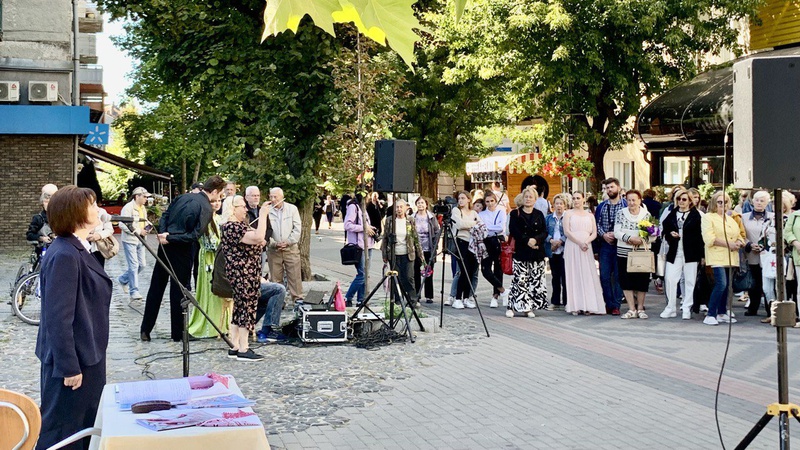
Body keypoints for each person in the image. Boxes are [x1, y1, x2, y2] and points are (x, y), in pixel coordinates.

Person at [35, 186, 112, 450]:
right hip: (73, 361)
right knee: (65, 432)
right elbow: (58, 317)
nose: (98, 210)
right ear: (75, 213)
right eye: (92, 205)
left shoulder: (77, 248)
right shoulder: (65, 254)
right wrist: (69, 366)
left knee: (84, 428)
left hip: (88, 353)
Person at [140, 175, 226, 342]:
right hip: (182, 249)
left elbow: (165, 216)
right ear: (215, 191)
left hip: (166, 245)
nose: (219, 198)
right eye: (220, 194)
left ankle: (146, 329)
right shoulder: (206, 208)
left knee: (156, 287)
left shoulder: (183, 197)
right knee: (178, 291)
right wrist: (169, 237)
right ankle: (178, 333)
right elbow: (194, 235)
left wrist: (164, 234)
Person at [222, 195, 270, 361]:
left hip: (245, 272)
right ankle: (244, 348)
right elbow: (258, 237)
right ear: (232, 209)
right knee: (246, 308)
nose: (246, 209)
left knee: (239, 308)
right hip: (243, 273)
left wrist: (258, 241)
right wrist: (263, 215)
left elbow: (257, 240)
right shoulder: (232, 226)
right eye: (242, 206)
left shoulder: (239, 226)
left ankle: (235, 345)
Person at [187, 197, 230, 338]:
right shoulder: (204, 220)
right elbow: (209, 244)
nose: (217, 204)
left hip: (221, 258)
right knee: (210, 290)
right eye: (213, 201)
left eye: (219, 201)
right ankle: (209, 325)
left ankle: (223, 323)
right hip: (209, 258)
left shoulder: (221, 219)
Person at [701, 191, 745, 326]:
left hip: (731, 256)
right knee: (721, 284)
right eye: (720, 202)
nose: (723, 205)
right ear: (714, 203)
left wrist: (739, 242)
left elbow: (739, 235)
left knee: (727, 286)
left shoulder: (730, 218)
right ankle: (710, 314)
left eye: (725, 202)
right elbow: (709, 238)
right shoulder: (708, 217)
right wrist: (729, 244)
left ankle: (721, 312)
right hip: (717, 255)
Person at [661, 188, 704, 319]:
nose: (681, 201)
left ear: (690, 201)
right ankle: (670, 307)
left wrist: (702, 255)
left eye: (684, 199)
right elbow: (665, 229)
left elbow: (701, 236)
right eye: (678, 199)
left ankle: (687, 308)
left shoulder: (696, 215)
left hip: (691, 253)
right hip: (675, 252)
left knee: (690, 281)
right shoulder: (672, 214)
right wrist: (670, 234)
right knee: (670, 279)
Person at [507, 187, 548, 317]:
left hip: (536, 252)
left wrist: (536, 240)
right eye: (526, 197)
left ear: (535, 200)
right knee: (519, 280)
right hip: (521, 251)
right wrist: (527, 240)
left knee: (534, 281)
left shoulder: (539, 214)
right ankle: (511, 306)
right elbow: (514, 230)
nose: (528, 199)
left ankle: (528, 307)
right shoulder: (515, 213)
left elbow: (544, 231)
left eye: (531, 197)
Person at [563, 191, 605, 315]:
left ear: (583, 199)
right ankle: (575, 305)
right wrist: (579, 242)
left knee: (587, 274)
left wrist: (586, 242)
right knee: (574, 274)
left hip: (586, 247)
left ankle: (588, 305)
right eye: (574, 198)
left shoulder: (590, 215)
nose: (576, 200)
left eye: (578, 198)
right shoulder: (568, 214)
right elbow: (567, 232)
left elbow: (594, 233)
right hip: (573, 245)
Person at [614, 190, 653, 319]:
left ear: (639, 200)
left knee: (641, 280)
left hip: (641, 253)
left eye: (634, 200)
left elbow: (653, 234)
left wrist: (641, 240)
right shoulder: (621, 213)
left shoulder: (646, 214)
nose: (631, 203)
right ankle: (631, 309)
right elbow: (617, 232)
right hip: (624, 252)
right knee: (626, 280)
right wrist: (630, 238)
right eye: (629, 200)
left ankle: (640, 308)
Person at [381, 199, 424, 306]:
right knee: (396, 278)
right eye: (397, 207)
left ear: (406, 208)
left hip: (408, 253)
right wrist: (384, 254)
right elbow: (385, 237)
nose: (399, 209)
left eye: (401, 207)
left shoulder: (410, 220)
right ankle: (398, 300)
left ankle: (412, 300)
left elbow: (415, 237)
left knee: (409, 277)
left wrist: (420, 254)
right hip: (394, 254)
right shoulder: (390, 220)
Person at [595, 177, 627, 315]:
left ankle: (616, 305)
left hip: (621, 244)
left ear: (618, 188)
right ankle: (608, 303)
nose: (609, 190)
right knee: (604, 276)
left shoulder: (625, 205)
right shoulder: (602, 206)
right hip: (605, 245)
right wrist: (603, 235)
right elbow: (596, 224)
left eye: (612, 187)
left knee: (619, 276)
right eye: (607, 188)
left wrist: (617, 234)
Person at [742, 190, 775, 318]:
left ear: (767, 203)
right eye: (757, 200)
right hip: (751, 254)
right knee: (754, 282)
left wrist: (765, 246)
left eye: (762, 201)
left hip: (767, 255)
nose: (759, 203)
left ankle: (770, 309)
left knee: (768, 282)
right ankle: (753, 307)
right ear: (752, 201)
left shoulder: (772, 216)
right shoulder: (744, 217)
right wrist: (749, 244)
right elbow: (741, 234)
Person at [268, 187, 304, 302]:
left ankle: (297, 299)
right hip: (274, 250)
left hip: (291, 249)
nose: (273, 199)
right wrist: (273, 243)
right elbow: (265, 231)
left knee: (295, 276)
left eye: (275, 197)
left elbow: (297, 228)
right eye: (271, 196)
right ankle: (279, 301)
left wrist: (289, 241)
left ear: (282, 197)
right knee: (275, 278)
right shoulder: (267, 210)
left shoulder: (292, 209)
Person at [118, 187, 150, 301]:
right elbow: (122, 224)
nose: (146, 199)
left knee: (142, 265)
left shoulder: (143, 208)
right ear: (137, 196)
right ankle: (134, 291)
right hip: (130, 240)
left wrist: (148, 227)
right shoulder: (128, 208)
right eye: (144, 196)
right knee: (134, 265)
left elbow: (144, 221)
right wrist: (137, 231)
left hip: (141, 240)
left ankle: (123, 279)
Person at [344, 194, 377, 306]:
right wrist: (364, 228)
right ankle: (348, 297)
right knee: (362, 274)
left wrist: (370, 228)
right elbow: (347, 225)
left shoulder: (362, 207)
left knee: (365, 274)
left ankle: (361, 300)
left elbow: (365, 224)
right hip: (359, 246)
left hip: (368, 244)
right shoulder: (353, 206)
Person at [451, 191, 482, 309]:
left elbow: (481, 225)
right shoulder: (456, 211)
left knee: (471, 271)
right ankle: (457, 298)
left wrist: (470, 224)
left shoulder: (473, 212)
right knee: (463, 270)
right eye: (459, 198)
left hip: (473, 243)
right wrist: (473, 224)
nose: (460, 200)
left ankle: (466, 297)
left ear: (469, 199)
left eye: (463, 198)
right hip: (461, 242)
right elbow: (459, 224)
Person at [478, 191, 508, 308]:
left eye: (492, 201)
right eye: (487, 201)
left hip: (497, 240)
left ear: (495, 201)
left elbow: (501, 227)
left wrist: (488, 227)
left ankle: (495, 295)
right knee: (485, 269)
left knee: (498, 269)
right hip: (485, 241)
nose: (490, 203)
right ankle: (503, 290)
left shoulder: (501, 211)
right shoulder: (482, 214)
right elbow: (481, 228)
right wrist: (489, 228)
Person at [413, 197, 440, 304]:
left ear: (426, 204)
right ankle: (416, 295)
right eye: (418, 203)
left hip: (428, 248)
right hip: (416, 249)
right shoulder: (412, 217)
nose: (420, 205)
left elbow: (437, 231)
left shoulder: (431, 217)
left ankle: (429, 296)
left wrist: (435, 245)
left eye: (422, 203)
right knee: (415, 272)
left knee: (429, 272)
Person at [546, 193, 570, 310]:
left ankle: (566, 301)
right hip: (553, 250)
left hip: (565, 249)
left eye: (561, 204)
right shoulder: (549, 218)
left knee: (565, 277)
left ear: (565, 205)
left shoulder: (568, 217)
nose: (559, 206)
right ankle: (555, 301)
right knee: (555, 276)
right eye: (557, 204)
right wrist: (551, 241)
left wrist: (560, 241)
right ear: (553, 205)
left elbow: (570, 232)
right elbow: (544, 232)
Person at [255, 278, 288, 343]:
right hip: (247, 285)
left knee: (267, 296)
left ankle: (248, 325)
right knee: (280, 289)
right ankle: (267, 329)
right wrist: (259, 280)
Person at [86, 203, 114, 268]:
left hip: (97, 246)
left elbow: (109, 229)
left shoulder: (102, 212)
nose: (97, 209)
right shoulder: (77, 212)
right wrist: (86, 235)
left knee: (99, 269)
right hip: (82, 246)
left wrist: (99, 235)